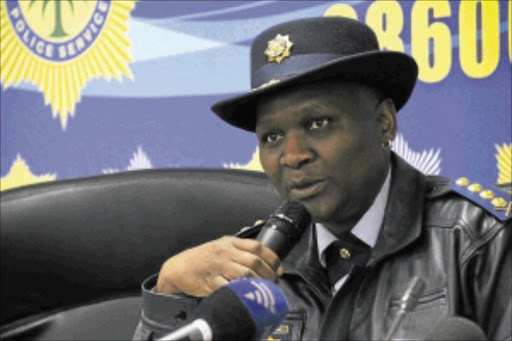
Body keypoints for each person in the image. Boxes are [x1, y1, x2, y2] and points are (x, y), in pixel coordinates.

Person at [133, 17, 511, 340]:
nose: (293, 156)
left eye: (318, 123)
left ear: (384, 123)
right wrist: (169, 296)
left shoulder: (479, 241)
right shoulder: (249, 269)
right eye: (272, 138)